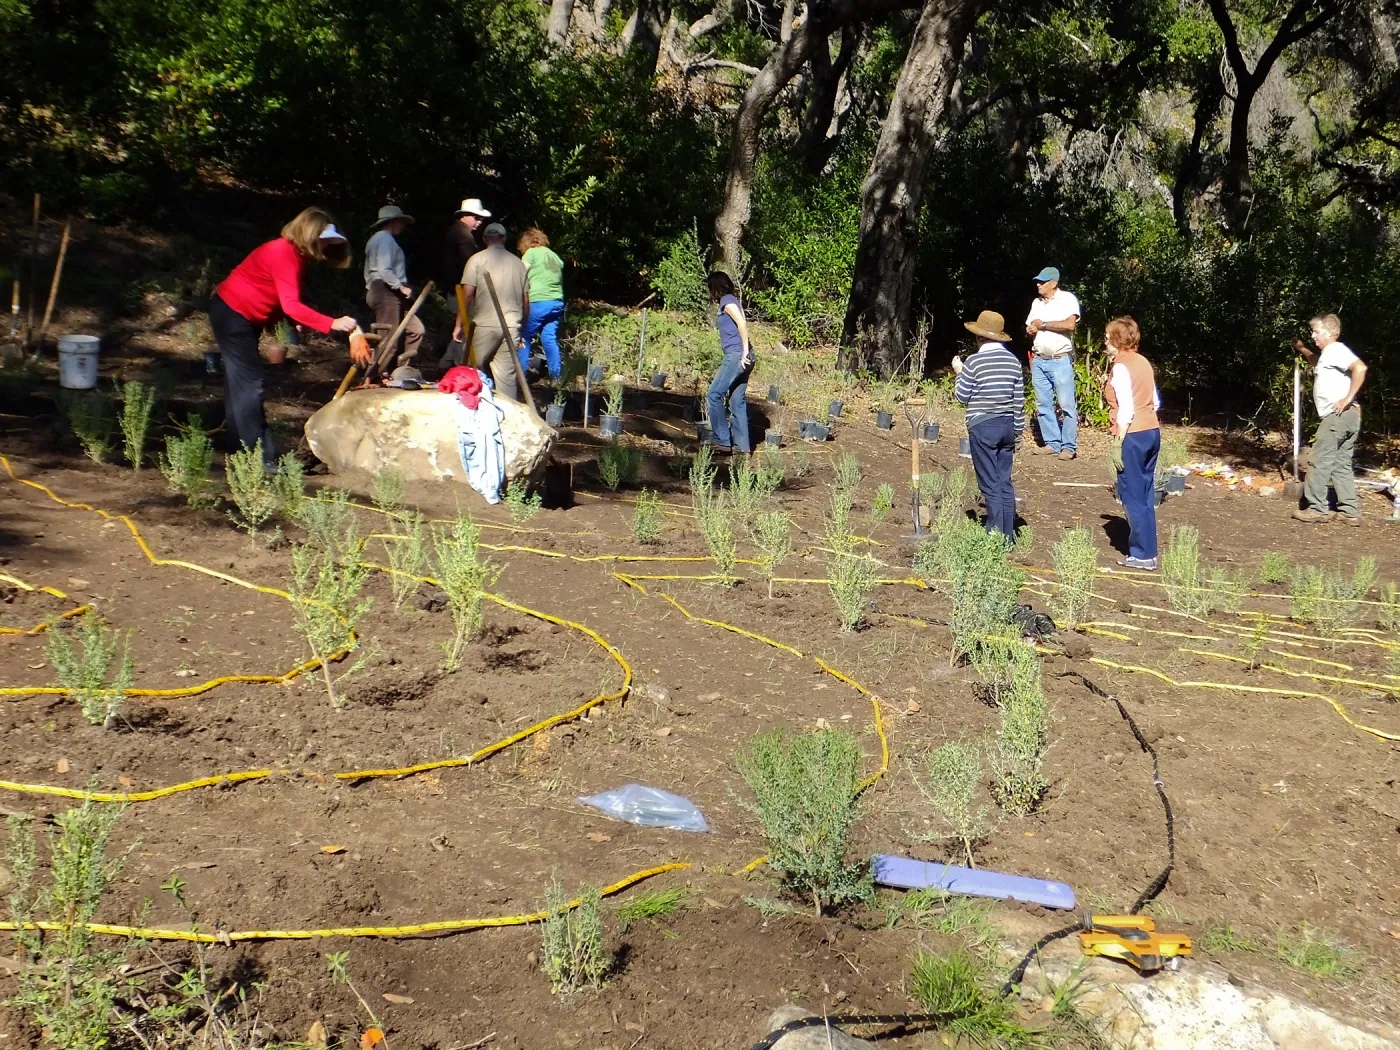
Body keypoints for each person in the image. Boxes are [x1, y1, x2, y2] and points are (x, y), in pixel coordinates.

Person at [210, 207, 364, 468]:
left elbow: (275, 294)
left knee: (240, 385)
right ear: (310, 233)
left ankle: (239, 447)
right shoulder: (283, 252)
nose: (324, 249)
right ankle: (261, 460)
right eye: (323, 241)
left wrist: (289, 320)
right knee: (249, 385)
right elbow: (291, 303)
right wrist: (332, 323)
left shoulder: (295, 255)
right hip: (233, 313)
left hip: (240, 315)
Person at [952, 310, 1025, 542]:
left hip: (983, 425)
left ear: (980, 337)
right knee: (1004, 480)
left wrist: (959, 373)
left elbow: (961, 396)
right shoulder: (1014, 362)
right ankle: (1008, 535)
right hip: (1007, 426)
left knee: (989, 482)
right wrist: (1018, 431)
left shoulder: (974, 362)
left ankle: (994, 535)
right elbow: (1019, 402)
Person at [1291, 313, 1368, 525]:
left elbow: (1360, 368)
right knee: (1341, 463)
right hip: (1349, 416)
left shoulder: (1335, 349)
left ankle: (1317, 509)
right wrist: (1303, 349)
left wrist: (1347, 398)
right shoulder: (1328, 355)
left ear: (1331, 332)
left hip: (1337, 415)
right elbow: (1317, 362)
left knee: (1319, 460)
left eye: (1317, 331)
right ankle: (1349, 511)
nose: (1314, 336)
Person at [1103, 316, 1162, 569]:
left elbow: (1126, 407)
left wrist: (1119, 439)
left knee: (1132, 494)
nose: (1105, 342)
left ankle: (1142, 554)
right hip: (1152, 430)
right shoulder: (1143, 362)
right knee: (1146, 493)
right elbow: (1155, 401)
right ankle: (1148, 548)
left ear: (1117, 340)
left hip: (1133, 434)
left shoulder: (1121, 366)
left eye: (1108, 338)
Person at [457, 222, 527, 401]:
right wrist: (522, 327)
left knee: (468, 368)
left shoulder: (477, 260)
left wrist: (459, 324)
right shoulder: (518, 264)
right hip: (511, 325)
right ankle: (508, 417)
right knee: (506, 378)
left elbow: (467, 296)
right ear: (504, 238)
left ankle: (470, 408)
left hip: (486, 324)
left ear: (484, 239)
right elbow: (526, 302)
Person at [1025, 265, 1080, 460]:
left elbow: (1070, 325)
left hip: (1060, 360)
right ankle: (1052, 443)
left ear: (1054, 283)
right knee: (1043, 404)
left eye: (1043, 281)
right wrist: (1031, 331)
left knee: (1067, 405)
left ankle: (1068, 447)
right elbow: (1031, 326)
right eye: (1038, 281)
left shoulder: (1067, 299)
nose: (1038, 284)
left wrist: (1044, 325)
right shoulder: (1037, 303)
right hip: (1040, 360)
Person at [364, 205, 423, 374]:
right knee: (389, 338)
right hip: (386, 290)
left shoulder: (380, 240)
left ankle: (399, 370)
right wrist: (400, 287)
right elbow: (384, 270)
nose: (402, 226)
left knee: (416, 330)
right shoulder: (384, 239)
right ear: (392, 222)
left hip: (388, 291)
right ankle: (375, 375)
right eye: (400, 222)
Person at [705, 271, 753, 453]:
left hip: (736, 355)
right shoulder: (733, 300)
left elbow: (742, 323)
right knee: (736, 402)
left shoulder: (727, 301)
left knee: (714, 395)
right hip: (742, 355)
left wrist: (744, 352)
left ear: (715, 287)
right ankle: (742, 448)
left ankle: (722, 440)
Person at [517, 228, 566, 380]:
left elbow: (519, 274)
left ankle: (520, 376)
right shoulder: (554, 257)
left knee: (523, 336)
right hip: (557, 302)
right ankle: (556, 377)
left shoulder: (531, 253)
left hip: (538, 301)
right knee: (549, 338)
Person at [443, 198, 491, 292]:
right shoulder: (464, 236)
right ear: (464, 216)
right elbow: (469, 265)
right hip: (460, 288)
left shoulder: (454, 229)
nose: (480, 222)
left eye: (481, 218)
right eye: (476, 218)